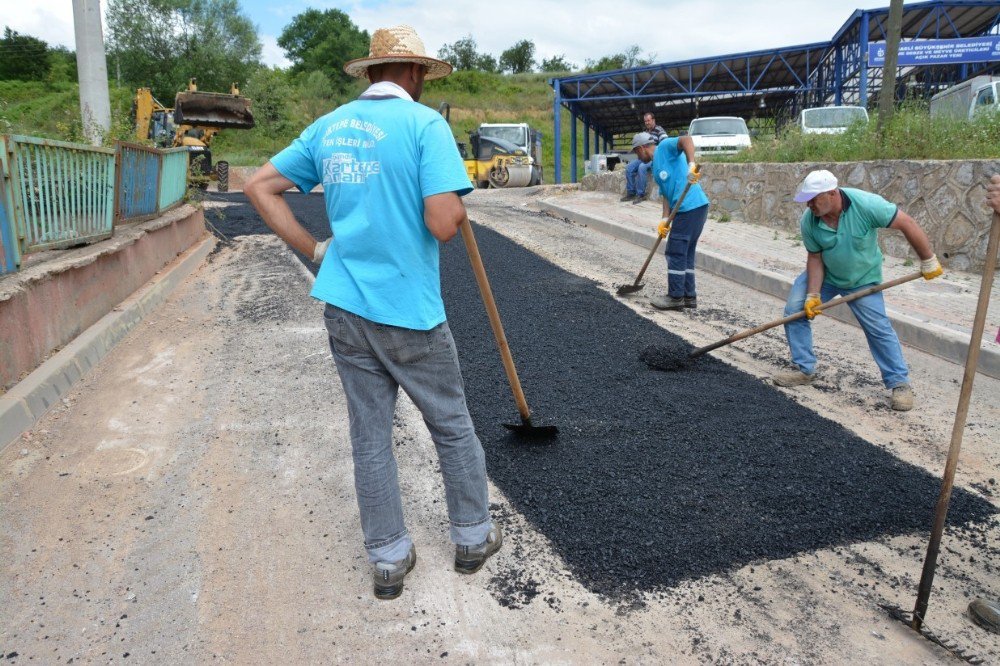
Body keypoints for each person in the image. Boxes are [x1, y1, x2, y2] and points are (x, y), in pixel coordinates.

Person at [244, 24, 501, 601]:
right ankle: (472, 537)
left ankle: (388, 558)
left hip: (344, 304)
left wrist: (314, 250)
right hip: (409, 310)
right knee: (452, 424)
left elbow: (258, 187)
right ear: (413, 74)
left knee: (370, 435)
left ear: (370, 73)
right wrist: (454, 206)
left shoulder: (328, 127)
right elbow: (441, 223)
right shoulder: (424, 126)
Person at [772, 169, 943, 412]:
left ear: (832, 193)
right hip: (828, 276)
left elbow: (907, 223)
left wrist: (928, 259)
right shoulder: (809, 221)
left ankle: (899, 384)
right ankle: (804, 369)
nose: (809, 205)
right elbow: (815, 257)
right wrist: (813, 294)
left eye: (813, 199)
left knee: (878, 327)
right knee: (794, 311)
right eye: (807, 199)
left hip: (863, 279)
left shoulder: (867, 205)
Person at [631, 131, 710, 310]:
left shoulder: (664, 148)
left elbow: (686, 139)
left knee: (675, 252)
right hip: (693, 208)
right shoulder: (656, 168)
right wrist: (664, 219)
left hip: (690, 206)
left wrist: (691, 165)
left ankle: (675, 297)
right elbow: (667, 194)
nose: (637, 157)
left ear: (642, 148)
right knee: (685, 253)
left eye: (636, 153)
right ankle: (689, 297)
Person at [622, 112, 666, 204]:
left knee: (642, 167)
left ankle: (641, 195)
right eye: (645, 121)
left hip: (654, 156)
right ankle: (631, 193)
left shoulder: (659, 130)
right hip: (643, 155)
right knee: (629, 167)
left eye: (648, 120)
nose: (647, 123)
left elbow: (664, 143)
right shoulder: (645, 133)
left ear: (653, 120)